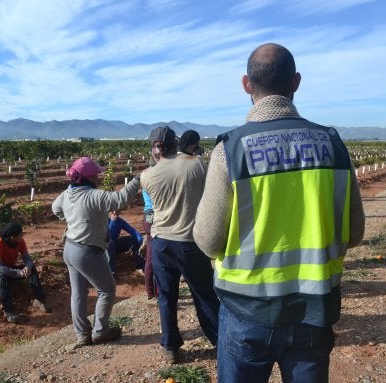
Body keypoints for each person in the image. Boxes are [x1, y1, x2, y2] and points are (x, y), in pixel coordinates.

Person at [193, 43, 365, 383]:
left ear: (246, 84)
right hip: (314, 310)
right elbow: (354, 232)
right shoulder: (332, 144)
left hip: (246, 312)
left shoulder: (230, 150)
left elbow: (209, 240)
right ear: (296, 82)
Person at [140, 126, 220, 364]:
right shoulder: (196, 164)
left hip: (161, 243)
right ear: (176, 143)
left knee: (167, 297)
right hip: (188, 243)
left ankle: (171, 347)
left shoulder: (147, 176)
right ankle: (220, 341)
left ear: (155, 147)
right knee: (203, 294)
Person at [52, 157, 140, 346]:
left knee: (78, 293)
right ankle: (101, 331)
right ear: (90, 177)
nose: (99, 177)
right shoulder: (94, 196)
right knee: (107, 290)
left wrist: (71, 220)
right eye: (97, 174)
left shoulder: (67, 193)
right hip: (87, 251)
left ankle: (83, 334)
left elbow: (55, 209)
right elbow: (120, 199)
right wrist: (137, 180)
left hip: (70, 248)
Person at [0, 222, 50, 323]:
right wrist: (18, 273)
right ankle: (9, 311)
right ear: (12, 237)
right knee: (1, 277)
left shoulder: (20, 242)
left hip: (9, 270)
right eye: (20, 235)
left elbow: (27, 258)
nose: (22, 236)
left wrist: (27, 267)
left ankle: (40, 300)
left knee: (32, 269)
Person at [107, 210, 145, 274]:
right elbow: (108, 236)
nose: (114, 212)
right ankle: (111, 271)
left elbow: (133, 231)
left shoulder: (119, 221)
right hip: (104, 247)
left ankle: (141, 266)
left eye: (116, 210)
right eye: (112, 210)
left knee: (135, 240)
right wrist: (113, 221)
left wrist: (141, 240)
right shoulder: (103, 221)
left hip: (116, 244)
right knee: (111, 243)